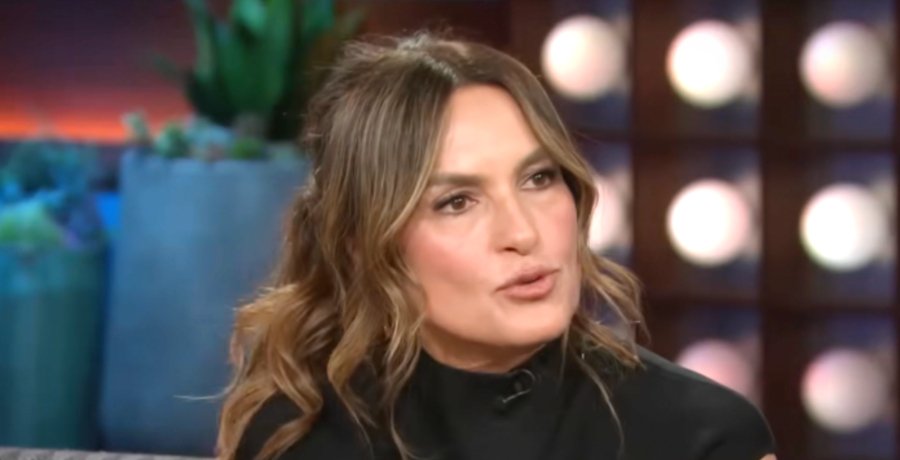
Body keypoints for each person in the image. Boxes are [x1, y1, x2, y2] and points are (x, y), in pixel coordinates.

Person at [216, 31, 777, 460]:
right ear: (362, 243)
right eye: (457, 201)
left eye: (538, 178)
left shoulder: (704, 437)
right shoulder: (297, 432)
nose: (522, 233)